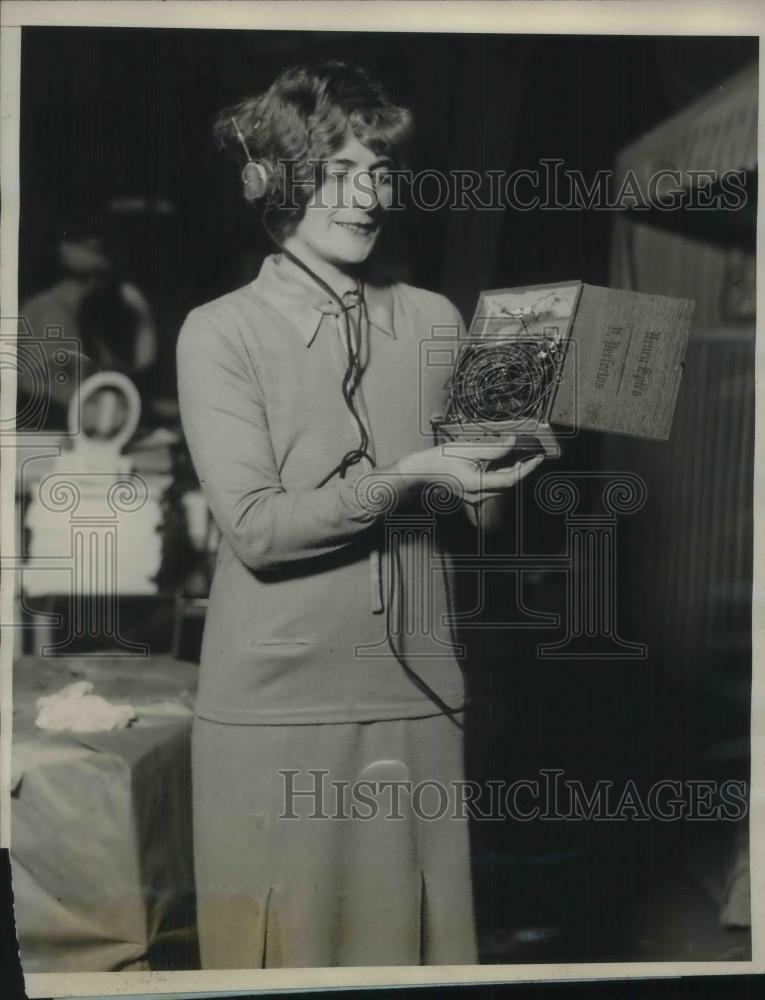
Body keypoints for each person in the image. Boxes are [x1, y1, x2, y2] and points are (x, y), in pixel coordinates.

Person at [176, 59, 544, 969]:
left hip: (417, 695)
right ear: (273, 183)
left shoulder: (432, 320)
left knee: (413, 947)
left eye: (379, 170)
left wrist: (504, 468)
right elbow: (257, 528)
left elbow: (474, 530)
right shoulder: (218, 332)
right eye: (339, 173)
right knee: (279, 955)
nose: (367, 195)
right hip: (272, 708)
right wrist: (415, 471)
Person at [18, 231, 157, 430]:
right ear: (97, 282)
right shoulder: (51, 313)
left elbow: (113, 372)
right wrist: (95, 405)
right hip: (47, 433)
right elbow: (34, 382)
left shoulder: (81, 319)